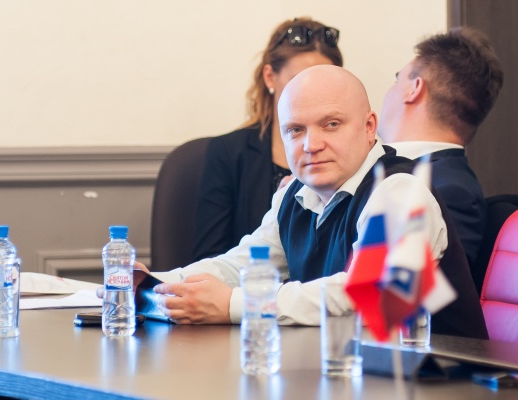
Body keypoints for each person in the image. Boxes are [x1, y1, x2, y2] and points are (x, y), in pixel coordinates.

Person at [150, 65, 487, 340]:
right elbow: (240, 266)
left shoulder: (401, 192)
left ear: (369, 127)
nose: (311, 145)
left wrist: (236, 304)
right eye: (295, 130)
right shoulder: (295, 193)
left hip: (442, 383)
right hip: (347, 376)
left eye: (331, 125)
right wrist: (155, 283)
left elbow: (367, 296)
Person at [192, 17, 343, 261]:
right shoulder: (227, 153)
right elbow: (210, 258)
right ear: (270, 76)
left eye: (322, 82)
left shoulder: (351, 151)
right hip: (247, 282)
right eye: (298, 81)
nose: (311, 94)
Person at [379, 27, 504, 269]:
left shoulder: (451, 192)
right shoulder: (379, 167)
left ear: (414, 88)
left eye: (397, 79)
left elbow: (398, 287)